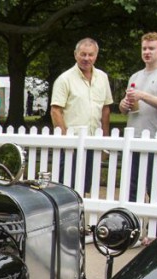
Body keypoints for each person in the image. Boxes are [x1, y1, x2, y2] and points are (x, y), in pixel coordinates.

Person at [119, 32, 157, 237]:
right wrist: (124, 104)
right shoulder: (135, 76)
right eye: (144, 48)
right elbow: (125, 110)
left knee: (155, 189)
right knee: (132, 186)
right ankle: (133, 230)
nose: (146, 52)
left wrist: (143, 95)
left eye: (151, 48)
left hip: (156, 138)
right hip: (134, 138)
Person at [50, 38, 113, 187]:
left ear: (96, 55)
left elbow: (105, 109)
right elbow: (55, 111)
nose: (87, 58)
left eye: (90, 55)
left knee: (86, 186)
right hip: (72, 144)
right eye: (83, 54)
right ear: (75, 54)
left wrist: (105, 140)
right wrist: (66, 141)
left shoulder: (103, 78)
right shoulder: (64, 79)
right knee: (66, 187)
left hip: (94, 142)